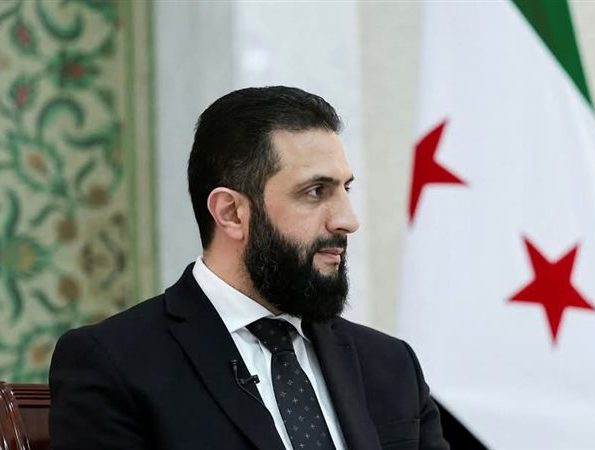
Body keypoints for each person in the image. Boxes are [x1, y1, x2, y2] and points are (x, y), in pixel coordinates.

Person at [48, 86, 449, 450]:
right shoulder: (116, 363)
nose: (348, 220)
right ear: (231, 213)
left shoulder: (391, 365)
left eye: (345, 189)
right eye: (316, 191)